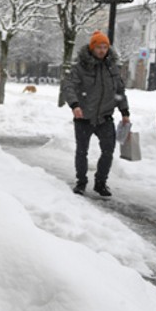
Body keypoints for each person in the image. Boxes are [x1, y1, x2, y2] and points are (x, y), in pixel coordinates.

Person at [62, 30, 130, 197]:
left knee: (108, 150)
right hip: (83, 117)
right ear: (92, 47)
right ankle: (81, 182)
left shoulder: (112, 68)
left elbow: (120, 91)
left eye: (105, 47)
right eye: (99, 47)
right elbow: (68, 87)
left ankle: (101, 182)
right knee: (82, 151)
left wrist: (125, 112)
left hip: (105, 117)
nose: (102, 50)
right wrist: (75, 105)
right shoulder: (80, 67)